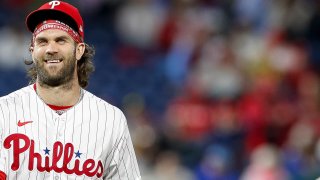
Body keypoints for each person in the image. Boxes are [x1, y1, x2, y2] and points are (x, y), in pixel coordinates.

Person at [0, 1, 141, 179]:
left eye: (61, 40)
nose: (51, 49)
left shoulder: (110, 120)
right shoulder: (4, 112)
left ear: (79, 50)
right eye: (42, 41)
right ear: (32, 50)